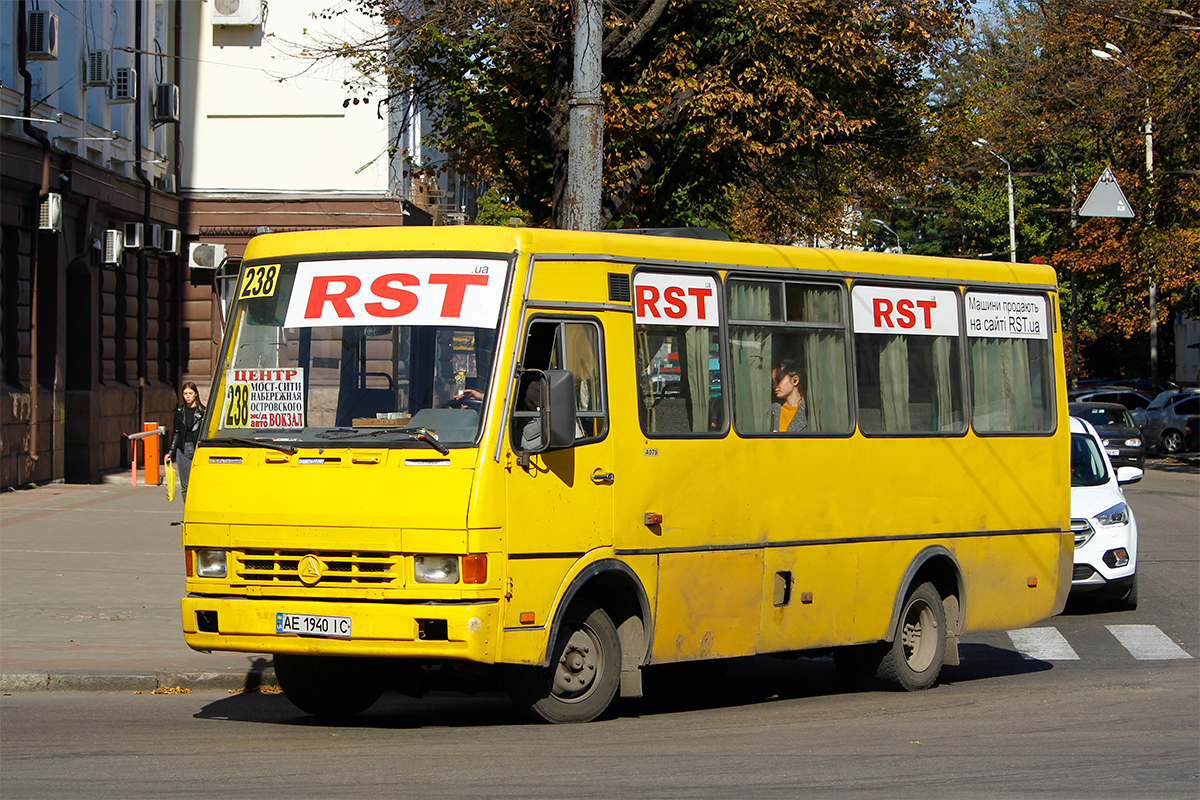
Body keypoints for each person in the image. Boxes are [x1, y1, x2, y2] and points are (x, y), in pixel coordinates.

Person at [165, 382, 205, 500]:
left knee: (198, 483)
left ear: (196, 394)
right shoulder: (179, 411)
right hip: (183, 449)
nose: (188, 396)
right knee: (185, 485)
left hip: (197, 449)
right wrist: (171, 452)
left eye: (190, 393)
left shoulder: (202, 411)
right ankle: (187, 512)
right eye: (185, 393)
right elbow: (176, 433)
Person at [770, 360, 808, 433]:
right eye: (773, 382)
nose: (774, 386)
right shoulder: (773, 410)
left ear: (795, 380)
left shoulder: (809, 410)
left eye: (779, 379)